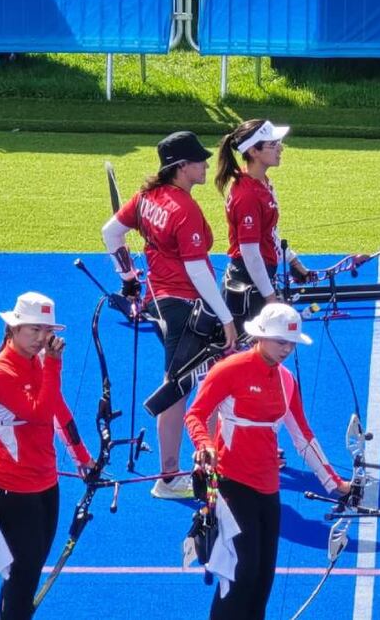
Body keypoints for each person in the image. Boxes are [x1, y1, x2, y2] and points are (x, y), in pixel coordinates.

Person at [185, 303, 351, 620]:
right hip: (231, 484)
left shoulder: (287, 380)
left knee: (263, 578)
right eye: (281, 342)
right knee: (239, 574)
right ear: (261, 336)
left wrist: (335, 484)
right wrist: (204, 444)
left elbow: (303, 436)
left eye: (291, 343)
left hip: (268, 489)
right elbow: (196, 413)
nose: (287, 349)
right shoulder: (229, 369)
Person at [101, 131, 238, 500]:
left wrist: (127, 277)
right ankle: (169, 475)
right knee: (179, 388)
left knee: (200, 380)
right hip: (187, 308)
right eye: (199, 160)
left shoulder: (148, 198)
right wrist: (225, 317)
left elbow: (111, 233)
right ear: (181, 168)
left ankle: (200, 461)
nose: (206, 164)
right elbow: (197, 271)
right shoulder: (184, 209)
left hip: (162, 302)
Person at [0, 292, 93, 618]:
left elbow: (58, 408)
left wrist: (82, 457)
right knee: (22, 573)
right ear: (13, 330)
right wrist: (54, 365)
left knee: (30, 570)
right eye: (33, 330)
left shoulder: (38, 364)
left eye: (46, 331)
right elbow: (41, 413)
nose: (42, 339)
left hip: (46, 483)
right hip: (13, 489)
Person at [215, 119, 316, 324]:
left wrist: (293, 262)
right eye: (273, 144)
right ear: (254, 151)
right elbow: (250, 253)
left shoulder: (262, 182)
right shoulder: (248, 195)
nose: (281, 148)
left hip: (257, 278)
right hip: (249, 282)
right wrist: (270, 299)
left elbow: (269, 233)